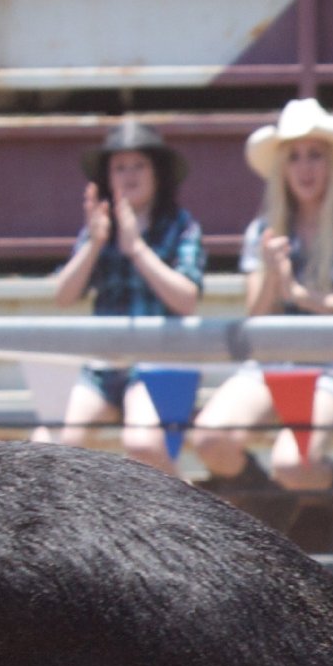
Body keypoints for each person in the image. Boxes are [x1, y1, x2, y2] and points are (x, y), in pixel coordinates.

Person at [189, 100, 333, 510]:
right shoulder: (263, 230)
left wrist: (305, 298)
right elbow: (255, 320)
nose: (305, 168)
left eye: (315, 155)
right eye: (294, 157)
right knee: (210, 438)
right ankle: (270, 503)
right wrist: (272, 277)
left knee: (295, 462)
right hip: (272, 364)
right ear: (281, 167)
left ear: (332, 163)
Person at [43, 119, 204, 474]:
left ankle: (188, 512)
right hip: (103, 366)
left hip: (158, 364)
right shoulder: (98, 226)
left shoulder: (180, 225)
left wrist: (136, 249)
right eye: (119, 167)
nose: (129, 175)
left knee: (143, 443)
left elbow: (187, 299)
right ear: (107, 177)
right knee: (51, 443)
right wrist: (95, 244)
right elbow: (63, 296)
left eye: (139, 165)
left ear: (157, 173)